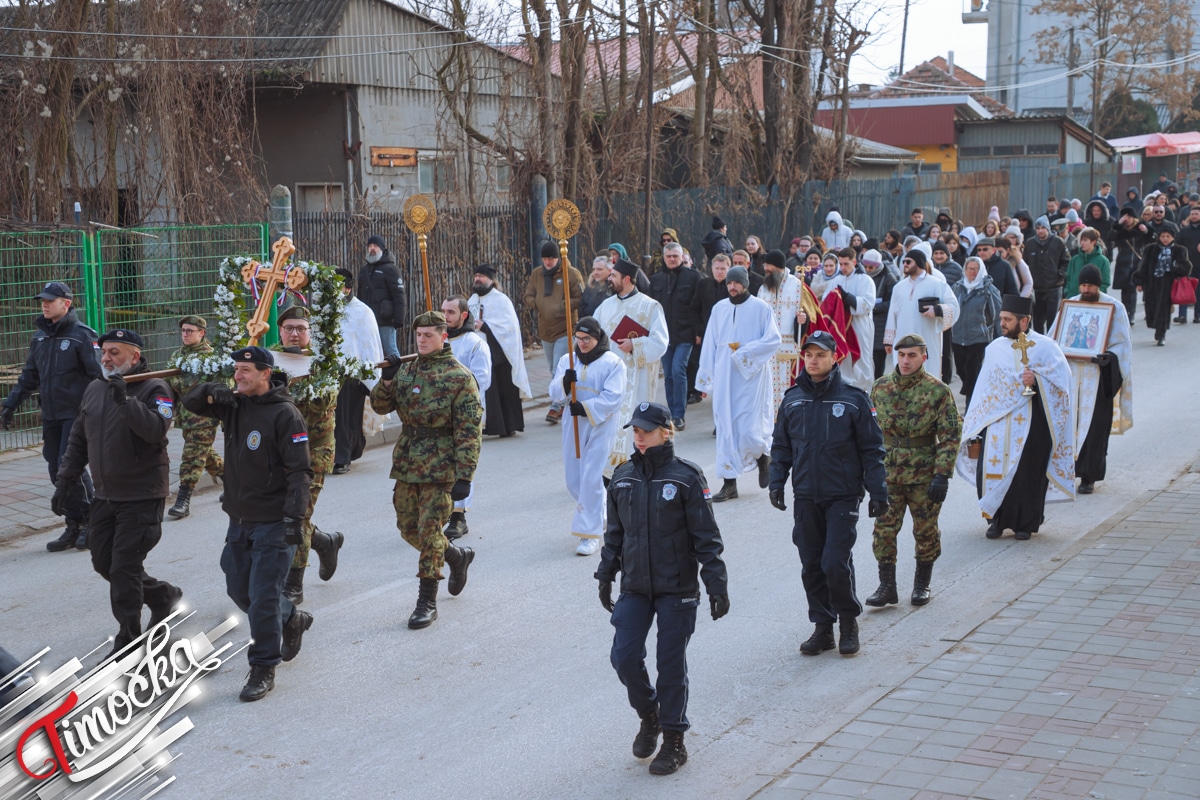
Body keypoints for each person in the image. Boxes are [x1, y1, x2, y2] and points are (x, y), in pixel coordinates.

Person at [595, 401, 728, 776]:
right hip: (635, 585)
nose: (638, 437)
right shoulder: (621, 477)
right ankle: (649, 715)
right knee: (624, 656)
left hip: (677, 588)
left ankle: (673, 738)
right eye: (634, 431)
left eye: (646, 431)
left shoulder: (686, 477)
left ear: (665, 432)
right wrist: (606, 574)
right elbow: (614, 535)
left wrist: (715, 582)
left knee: (669, 663)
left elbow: (707, 536)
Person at [183, 346, 314, 701]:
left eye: (245, 371)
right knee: (239, 589)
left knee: (263, 597)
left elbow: (300, 472)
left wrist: (294, 520)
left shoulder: (286, 415)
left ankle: (263, 667)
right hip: (239, 518)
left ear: (265, 374)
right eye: (235, 370)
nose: (238, 376)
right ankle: (291, 619)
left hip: (273, 521)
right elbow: (192, 402)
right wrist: (213, 387)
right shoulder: (235, 404)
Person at [56, 328, 184, 655]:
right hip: (105, 496)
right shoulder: (95, 388)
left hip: (142, 494)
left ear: (135, 356)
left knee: (124, 568)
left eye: (115, 353)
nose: (107, 358)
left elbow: (155, 430)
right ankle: (160, 595)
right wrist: (65, 479)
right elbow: (79, 438)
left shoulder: (157, 387)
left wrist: (124, 401)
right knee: (103, 563)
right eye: (104, 352)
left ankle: (129, 639)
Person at [768, 331, 887, 657]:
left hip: (843, 495)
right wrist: (776, 482)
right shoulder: (793, 399)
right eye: (808, 354)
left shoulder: (853, 399)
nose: (813, 360)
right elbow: (781, 447)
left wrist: (878, 492)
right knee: (811, 564)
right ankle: (823, 627)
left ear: (834, 357)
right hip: (806, 495)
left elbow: (872, 449)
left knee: (834, 562)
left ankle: (848, 620)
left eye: (820, 354)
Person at [369, 311, 481, 629]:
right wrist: (388, 378)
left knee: (431, 532)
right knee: (408, 528)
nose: (422, 340)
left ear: (443, 336)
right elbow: (380, 406)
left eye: (429, 335)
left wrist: (464, 476)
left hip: (441, 464)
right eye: (418, 335)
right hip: (407, 460)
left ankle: (426, 600)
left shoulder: (459, 377)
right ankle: (456, 557)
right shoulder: (407, 371)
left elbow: (469, 430)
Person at [956, 295, 1074, 541]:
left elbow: (1063, 386)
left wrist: (1038, 381)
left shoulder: (1046, 347)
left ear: (1024, 321)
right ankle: (996, 521)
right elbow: (984, 391)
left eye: (1008, 319)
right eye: (1002, 319)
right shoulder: (994, 348)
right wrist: (976, 426)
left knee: (1027, 472)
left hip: (1034, 421)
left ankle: (1025, 523)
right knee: (991, 467)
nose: (1003, 324)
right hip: (998, 422)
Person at [2, 281, 99, 552]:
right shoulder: (40, 337)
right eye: (42, 300)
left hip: (77, 414)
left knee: (70, 466)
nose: (44, 304)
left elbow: (98, 376)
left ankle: (92, 521)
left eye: (50, 300)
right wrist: (10, 404)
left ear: (66, 304)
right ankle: (75, 522)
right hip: (52, 414)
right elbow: (29, 376)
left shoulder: (82, 336)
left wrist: (98, 409)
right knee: (55, 470)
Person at [865, 334, 961, 609]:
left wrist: (943, 474)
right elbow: (870, 435)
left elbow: (950, 435)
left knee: (925, 530)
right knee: (883, 529)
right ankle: (887, 587)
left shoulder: (938, 391)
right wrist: (868, 474)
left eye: (912, 355)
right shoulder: (880, 388)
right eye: (902, 355)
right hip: (889, 473)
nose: (905, 361)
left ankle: (922, 584)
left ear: (924, 357)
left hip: (923, 472)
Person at [275, 306, 344, 607]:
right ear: (280, 331)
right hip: (278, 453)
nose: (294, 333)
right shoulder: (270, 359)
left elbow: (325, 402)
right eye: (289, 328)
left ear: (309, 332)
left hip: (312, 451)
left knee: (298, 516)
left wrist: (288, 388)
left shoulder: (324, 361)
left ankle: (294, 582)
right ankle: (324, 542)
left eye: (300, 328)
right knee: (281, 516)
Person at [696, 267, 781, 502]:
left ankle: (763, 456)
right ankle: (729, 484)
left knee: (748, 427)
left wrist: (745, 355)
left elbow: (773, 339)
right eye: (729, 283)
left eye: (737, 283)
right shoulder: (719, 308)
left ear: (745, 284)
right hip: (725, 374)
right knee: (725, 427)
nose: (732, 287)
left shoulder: (761, 308)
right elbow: (710, 343)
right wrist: (706, 376)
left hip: (750, 377)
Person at [1050, 266, 1133, 495]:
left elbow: (1122, 345)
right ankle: (1066, 472)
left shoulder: (1114, 307)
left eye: (1091, 286)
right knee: (1068, 425)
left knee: (1095, 428)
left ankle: (1089, 476)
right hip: (1071, 377)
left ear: (1099, 285)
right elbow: (1054, 338)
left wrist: (1109, 357)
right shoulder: (1071, 306)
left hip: (1098, 378)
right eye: (1083, 285)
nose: (1086, 290)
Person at [549, 317, 626, 555]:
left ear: (597, 338)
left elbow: (614, 396)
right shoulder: (567, 360)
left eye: (587, 339)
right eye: (578, 339)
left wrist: (587, 408)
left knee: (592, 476)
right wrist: (564, 382)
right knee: (575, 479)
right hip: (573, 424)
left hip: (600, 424)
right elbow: (554, 393)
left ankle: (589, 534)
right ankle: (602, 513)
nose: (582, 344)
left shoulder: (612, 363)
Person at [594, 259, 669, 475]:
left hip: (638, 376)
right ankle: (610, 470)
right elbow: (594, 334)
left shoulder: (650, 306)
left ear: (626, 279)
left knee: (634, 420)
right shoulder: (605, 306)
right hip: (610, 376)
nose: (609, 279)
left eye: (613, 276)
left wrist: (634, 345)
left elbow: (660, 341)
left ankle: (638, 467)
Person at [442, 295, 492, 540]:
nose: (445, 316)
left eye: (450, 312)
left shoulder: (475, 343)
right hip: (439, 414)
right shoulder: (437, 341)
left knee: (462, 464)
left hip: (465, 414)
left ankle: (459, 516)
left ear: (463, 315)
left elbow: (482, 380)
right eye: (443, 311)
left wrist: (454, 394)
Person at [164, 315, 224, 518]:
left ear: (202, 333)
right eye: (183, 331)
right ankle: (234, 481)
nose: (186, 334)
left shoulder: (212, 358)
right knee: (204, 454)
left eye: (190, 331)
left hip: (205, 416)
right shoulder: (176, 355)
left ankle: (184, 497)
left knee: (192, 455)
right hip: (185, 415)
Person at [469, 263, 532, 437]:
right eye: (476, 276)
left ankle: (508, 426)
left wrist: (486, 327)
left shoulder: (501, 300)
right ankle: (490, 426)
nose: (478, 279)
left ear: (491, 279)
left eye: (481, 276)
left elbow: (509, 329)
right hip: (480, 354)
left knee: (503, 389)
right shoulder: (472, 300)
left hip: (500, 354)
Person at [524, 241, 584, 423]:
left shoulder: (571, 274)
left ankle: (555, 406)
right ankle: (566, 398)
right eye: (545, 258)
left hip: (565, 328)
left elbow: (580, 297)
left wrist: (562, 306)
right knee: (552, 367)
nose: (548, 262)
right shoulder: (537, 274)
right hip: (545, 329)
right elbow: (528, 295)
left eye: (551, 258)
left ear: (558, 258)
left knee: (559, 366)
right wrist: (538, 304)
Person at [332, 267, 384, 475]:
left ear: (347, 288)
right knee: (334, 418)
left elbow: (368, 343)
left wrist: (366, 372)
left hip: (352, 375)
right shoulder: (327, 309)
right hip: (330, 371)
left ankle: (342, 457)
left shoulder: (362, 311)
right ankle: (337, 453)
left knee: (347, 417)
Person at [648, 242, 704, 429]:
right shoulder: (656, 279)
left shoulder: (694, 277)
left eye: (676, 256)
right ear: (664, 257)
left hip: (685, 333)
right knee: (669, 375)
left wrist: (698, 332)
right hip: (664, 336)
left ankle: (679, 415)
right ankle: (671, 414)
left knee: (678, 370)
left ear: (682, 257)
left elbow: (699, 307)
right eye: (669, 256)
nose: (672, 259)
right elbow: (650, 308)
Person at [883, 249, 959, 376]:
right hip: (902, 338)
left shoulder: (937, 284)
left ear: (919, 263)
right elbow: (892, 314)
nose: (905, 264)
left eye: (908, 261)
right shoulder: (899, 287)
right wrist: (889, 340)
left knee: (927, 373)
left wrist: (937, 310)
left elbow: (954, 307)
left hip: (927, 338)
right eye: (904, 262)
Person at [758, 249, 812, 416]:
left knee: (787, 386)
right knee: (767, 387)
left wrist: (803, 320)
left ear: (778, 267)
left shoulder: (798, 286)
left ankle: (788, 418)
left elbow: (810, 316)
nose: (765, 269)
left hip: (788, 347)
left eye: (768, 266)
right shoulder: (763, 288)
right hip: (767, 347)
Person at [951, 257, 1002, 407]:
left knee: (973, 375)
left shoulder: (988, 290)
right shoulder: (957, 287)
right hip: (958, 338)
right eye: (970, 269)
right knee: (962, 371)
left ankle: (971, 408)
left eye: (976, 269)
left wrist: (999, 338)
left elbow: (997, 315)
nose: (972, 272)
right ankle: (972, 394)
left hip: (978, 338)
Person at [826, 248, 878, 392]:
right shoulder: (836, 280)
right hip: (840, 327)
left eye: (846, 264)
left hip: (859, 326)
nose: (842, 268)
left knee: (862, 359)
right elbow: (827, 301)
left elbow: (868, 304)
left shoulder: (865, 280)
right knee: (843, 359)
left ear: (854, 262)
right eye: (840, 264)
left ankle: (864, 391)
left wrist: (848, 298)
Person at [1134, 222, 1192, 345]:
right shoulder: (1150, 249)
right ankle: (1156, 328)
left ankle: (1162, 334)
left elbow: (1186, 266)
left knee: (1164, 309)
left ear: (1173, 238)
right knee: (1151, 308)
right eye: (1163, 236)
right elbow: (1143, 266)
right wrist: (1139, 282)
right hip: (1152, 282)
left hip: (1168, 283)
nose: (1165, 239)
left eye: (1168, 236)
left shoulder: (1179, 250)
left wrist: (1175, 267)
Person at [357, 234, 407, 359]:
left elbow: (399, 295)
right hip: (367, 320)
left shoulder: (391, 269)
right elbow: (359, 296)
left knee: (390, 350)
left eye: (375, 246)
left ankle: (398, 376)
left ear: (382, 249)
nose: (372, 248)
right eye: (370, 246)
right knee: (369, 351)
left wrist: (399, 319)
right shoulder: (364, 271)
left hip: (385, 320)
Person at [1024, 216, 1070, 334]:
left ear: (1048, 229)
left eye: (1043, 228)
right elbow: (1025, 264)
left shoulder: (1058, 242)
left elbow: (1066, 261)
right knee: (1037, 323)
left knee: (1053, 323)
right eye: (1038, 228)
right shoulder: (1030, 244)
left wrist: (1060, 275)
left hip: (1053, 288)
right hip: (1037, 289)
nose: (1040, 231)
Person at [1108, 206, 1151, 320]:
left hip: (1136, 263)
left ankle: (1131, 314)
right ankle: (1125, 312)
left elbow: (1151, 238)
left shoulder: (1140, 228)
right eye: (1124, 217)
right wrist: (1118, 224)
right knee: (1124, 290)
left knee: (1132, 289)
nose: (1127, 219)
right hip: (1123, 263)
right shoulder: (1120, 230)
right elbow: (1110, 237)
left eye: (1129, 217)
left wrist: (1146, 231)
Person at [863, 249, 897, 380]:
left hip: (880, 324)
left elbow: (893, 303)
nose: (868, 269)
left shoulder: (889, 278)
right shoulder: (862, 276)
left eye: (871, 267)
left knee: (878, 361)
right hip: (865, 322)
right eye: (865, 266)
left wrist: (874, 307)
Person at [1064, 228, 1111, 298]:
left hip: (1093, 299)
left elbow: (1105, 282)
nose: (1082, 243)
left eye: (1085, 240)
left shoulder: (1103, 261)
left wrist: (1098, 295)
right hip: (1073, 298)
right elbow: (1068, 278)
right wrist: (1067, 292)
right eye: (1081, 240)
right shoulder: (1075, 259)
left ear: (1093, 242)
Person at [1172, 205, 1200, 323]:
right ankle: (1182, 315)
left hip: (1199, 264)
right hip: (1186, 264)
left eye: (1196, 214)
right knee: (1184, 289)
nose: (1194, 216)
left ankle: (1197, 315)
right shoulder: (1184, 230)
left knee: (1198, 291)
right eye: (1192, 214)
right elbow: (1177, 245)